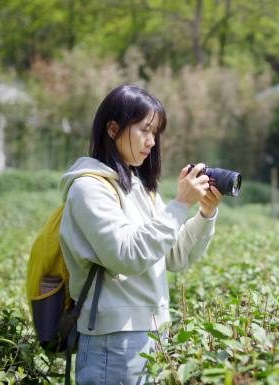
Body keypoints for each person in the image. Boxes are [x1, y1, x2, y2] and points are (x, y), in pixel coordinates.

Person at [58, 84, 222, 385]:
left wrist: (204, 214)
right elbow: (126, 256)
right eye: (145, 130)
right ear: (112, 128)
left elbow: (174, 256)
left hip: (152, 333)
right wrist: (180, 203)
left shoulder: (139, 187)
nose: (151, 142)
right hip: (114, 340)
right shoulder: (89, 188)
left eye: (156, 133)